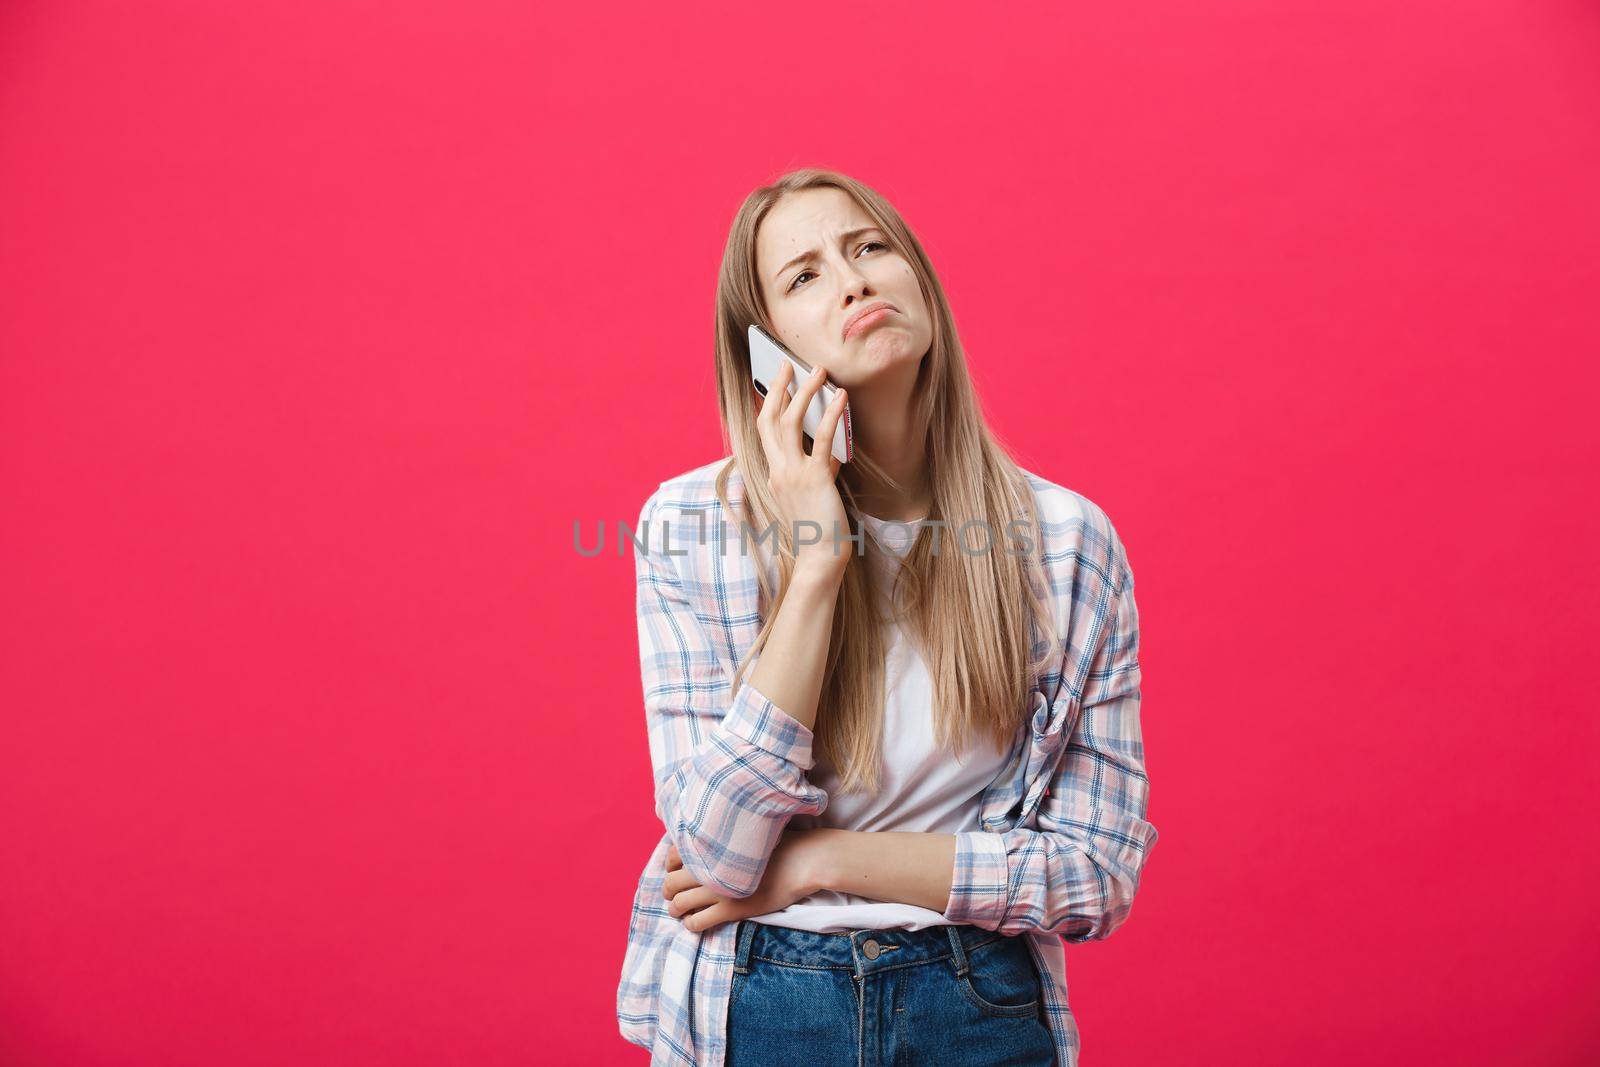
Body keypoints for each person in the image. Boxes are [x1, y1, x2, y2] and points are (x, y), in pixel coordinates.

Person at [616, 167, 1158, 1067]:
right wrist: (820, 562)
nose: (854, 279)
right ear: (764, 355)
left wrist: (826, 859)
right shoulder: (691, 527)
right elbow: (713, 848)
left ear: (921, 283)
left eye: (869, 247)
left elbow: (1094, 874)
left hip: (977, 999)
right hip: (762, 1000)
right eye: (805, 275)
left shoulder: (1065, 543)